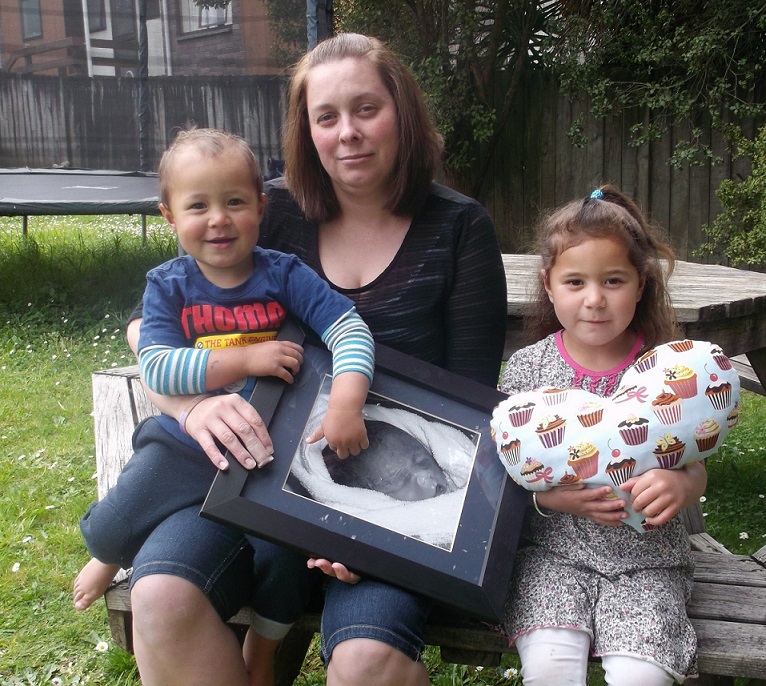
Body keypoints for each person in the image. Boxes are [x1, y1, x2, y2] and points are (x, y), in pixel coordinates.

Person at [120, 34, 507, 686]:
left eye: (366, 109)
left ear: (402, 115)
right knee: (160, 599)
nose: (348, 133)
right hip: (247, 479)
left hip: (391, 509)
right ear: (308, 131)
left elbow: (471, 409)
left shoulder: (460, 228)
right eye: (326, 117)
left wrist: (377, 532)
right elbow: (144, 330)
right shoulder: (263, 211)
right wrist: (194, 408)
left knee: (366, 663)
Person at [73, 127, 376, 684]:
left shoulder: (282, 274)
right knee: (117, 518)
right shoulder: (169, 285)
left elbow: (348, 328)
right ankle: (115, 549)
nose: (218, 218)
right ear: (169, 216)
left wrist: (347, 399)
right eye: (198, 205)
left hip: (267, 454)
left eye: (234, 201)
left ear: (260, 207)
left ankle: (263, 651)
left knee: (282, 560)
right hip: (185, 444)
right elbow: (158, 366)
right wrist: (245, 360)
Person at [499, 185, 704, 685]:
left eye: (613, 280)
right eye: (575, 282)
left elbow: (694, 462)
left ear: (641, 285)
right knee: (548, 667)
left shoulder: (666, 370)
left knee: (643, 677)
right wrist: (554, 500)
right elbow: (503, 472)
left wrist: (683, 485)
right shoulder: (529, 370)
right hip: (554, 554)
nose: (594, 300)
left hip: (648, 561)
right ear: (549, 286)